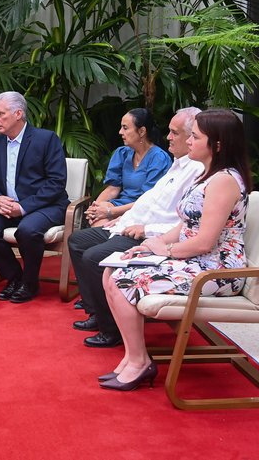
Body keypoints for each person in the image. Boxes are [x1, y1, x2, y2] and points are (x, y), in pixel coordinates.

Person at [99, 109, 251, 391]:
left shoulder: (224, 181)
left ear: (217, 145)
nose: (188, 141)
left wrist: (165, 249)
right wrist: (148, 247)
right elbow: (185, 225)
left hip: (216, 269)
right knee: (111, 271)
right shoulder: (207, 175)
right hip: (195, 259)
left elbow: (205, 242)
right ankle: (133, 356)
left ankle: (139, 362)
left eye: (196, 137)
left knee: (122, 281)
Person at [67, 107, 203, 348]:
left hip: (148, 232)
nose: (168, 137)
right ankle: (96, 310)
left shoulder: (193, 170)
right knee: (78, 241)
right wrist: (114, 215)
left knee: (93, 257)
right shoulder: (177, 163)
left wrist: (131, 222)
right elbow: (148, 200)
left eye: (175, 133)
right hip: (129, 220)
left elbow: (180, 219)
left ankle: (111, 329)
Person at [0, 91, 69, 303]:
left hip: (46, 206)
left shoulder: (46, 139)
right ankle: (15, 278)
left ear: (18, 114)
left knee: (27, 230)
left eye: (0, 114)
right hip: (9, 207)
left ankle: (30, 282)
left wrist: (23, 207)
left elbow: (56, 182)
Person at [85, 108, 171, 227]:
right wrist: (95, 209)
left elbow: (148, 201)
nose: (120, 132)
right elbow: (112, 189)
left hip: (142, 212)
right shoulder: (122, 153)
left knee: (103, 227)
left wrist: (110, 212)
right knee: (97, 222)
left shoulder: (159, 159)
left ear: (142, 131)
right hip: (118, 206)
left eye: (125, 128)